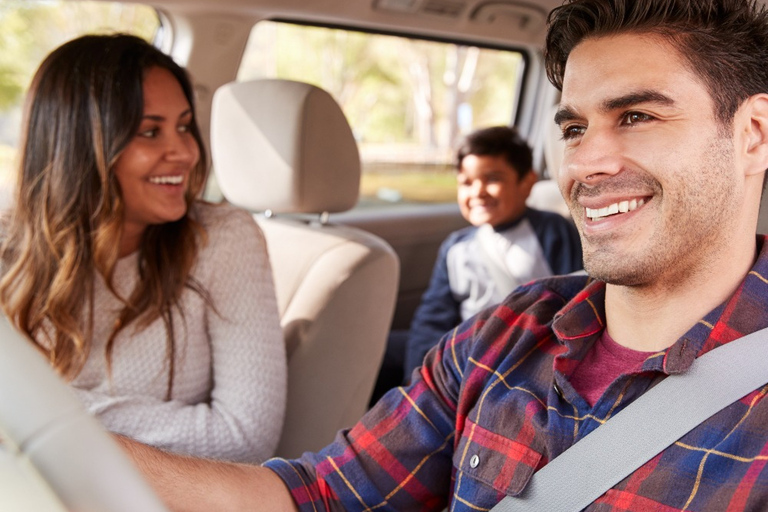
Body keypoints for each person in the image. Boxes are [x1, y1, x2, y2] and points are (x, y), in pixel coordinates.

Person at [119, 0, 768, 509]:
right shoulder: (507, 333)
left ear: (752, 135)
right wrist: (60, 444)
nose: (584, 165)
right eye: (573, 128)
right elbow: (319, 495)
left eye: (637, 117)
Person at [0, 34, 287, 464]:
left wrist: (43, 411)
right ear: (79, 147)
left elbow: (244, 437)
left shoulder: (222, 240)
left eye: (185, 126)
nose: (186, 152)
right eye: (151, 132)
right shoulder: (9, 243)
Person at [372, 126, 581, 402]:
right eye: (467, 183)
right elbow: (433, 316)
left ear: (526, 183)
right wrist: (418, 377)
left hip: (524, 349)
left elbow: (574, 301)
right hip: (463, 348)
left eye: (492, 179)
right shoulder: (456, 246)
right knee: (376, 348)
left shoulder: (551, 230)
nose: (478, 192)